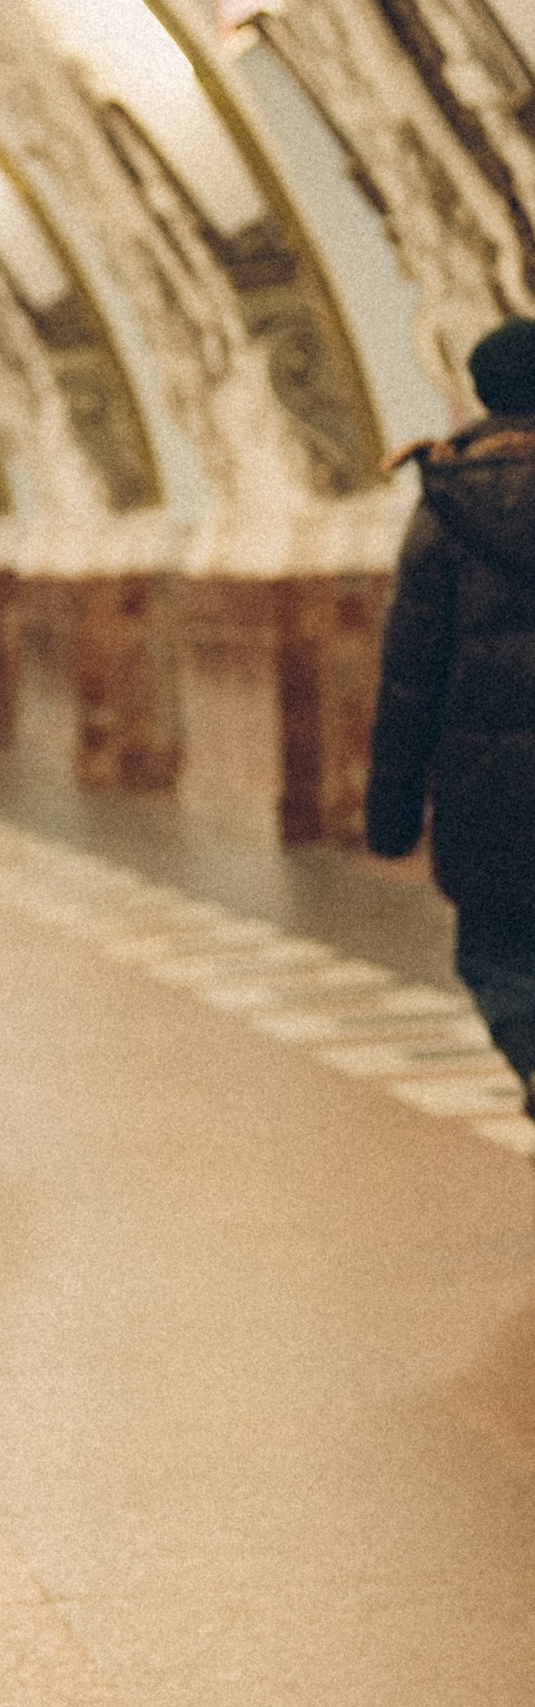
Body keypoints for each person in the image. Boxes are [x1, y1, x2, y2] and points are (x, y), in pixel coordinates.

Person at [365, 315, 535, 1117]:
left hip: (484, 781)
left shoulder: (444, 505)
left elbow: (410, 676)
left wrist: (391, 814)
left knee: (495, 950)